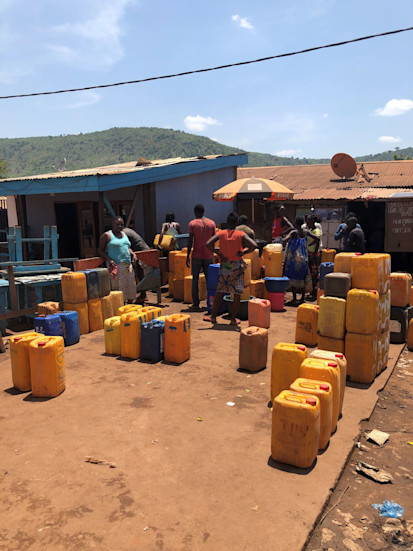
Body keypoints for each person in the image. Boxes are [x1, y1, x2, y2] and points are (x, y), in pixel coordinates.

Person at [204, 212, 257, 326]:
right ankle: (233, 319)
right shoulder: (240, 234)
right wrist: (243, 252)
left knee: (220, 291)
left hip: (226, 264)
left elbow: (208, 244)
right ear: (237, 222)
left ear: (227, 222)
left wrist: (218, 253)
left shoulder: (221, 233)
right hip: (237, 264)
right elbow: (254, 245)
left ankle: (213, 317)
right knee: (236, 293)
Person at [283, 216, 320, 306]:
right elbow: (317, 239)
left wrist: (283, 238)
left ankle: (295, 298)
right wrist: (314, 252)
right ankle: (302, 298)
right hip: (304, 258)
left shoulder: (293, 232)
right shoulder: (306, 232)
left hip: (294, 259)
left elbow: (285, 240)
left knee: (293, 278)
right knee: (302, 279)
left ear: (295, 223)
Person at [98, 217, 136, 304]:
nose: (119, 226)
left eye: (121, 224)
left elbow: (127, 246)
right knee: (119, 287)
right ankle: (120, 306)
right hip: (116, 265)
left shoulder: (124, 234)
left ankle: (129, 306)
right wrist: (109, 259)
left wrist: (132, 253)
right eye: (117, 224)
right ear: (113, 224)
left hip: (127, 265)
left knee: (130, 285)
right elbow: (100, 250)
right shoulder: (107, 235)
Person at [186, 204, 216, 310]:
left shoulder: (192, 224)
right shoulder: (211, 223)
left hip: (196, 255)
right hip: (208, 255)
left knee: (195, 279)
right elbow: (214, 239)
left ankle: (196, 303)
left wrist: (187, 255)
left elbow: (190, 241)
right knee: (209, 280)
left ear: (195, 212)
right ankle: (210, 302)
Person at [123, 227, 150, 303]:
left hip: (141, 251)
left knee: (140, 273)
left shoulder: (124, 233)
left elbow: (126, 246)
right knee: (140, 273)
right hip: (142, 250)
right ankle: (143, 294)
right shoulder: (127, 230)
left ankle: (143, 295)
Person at [306, 215, 321, 301]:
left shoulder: (316, 230)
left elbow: (317, 240)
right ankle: (312, 292)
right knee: (311, 273)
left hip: (314, 254)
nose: (307, 223)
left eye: (308, 222)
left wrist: (314, 254)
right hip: (310, 253)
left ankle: (315, 293)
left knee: (314, 274)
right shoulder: (311, 230)